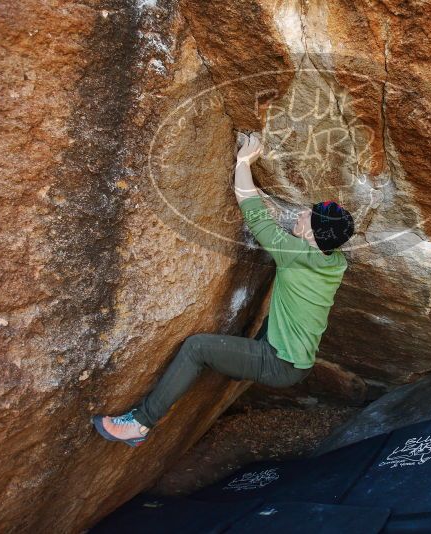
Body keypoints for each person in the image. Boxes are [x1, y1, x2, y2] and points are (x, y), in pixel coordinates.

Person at [92, 133, 355, 447]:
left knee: (197, 348)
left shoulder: (296, 254)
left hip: (278, 362)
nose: (301, 213)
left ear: (313, 237)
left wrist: (244, 161)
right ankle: (236, 366)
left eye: (308, 217)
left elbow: (252, 211)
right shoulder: (335, 260)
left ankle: (140, 424)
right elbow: (292, 236)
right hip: (295, 355)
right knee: (272, 322)